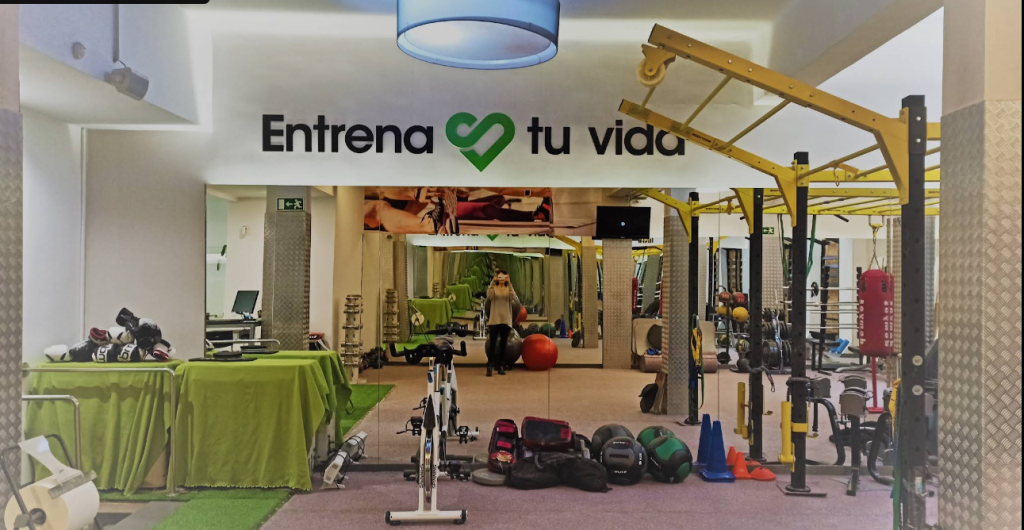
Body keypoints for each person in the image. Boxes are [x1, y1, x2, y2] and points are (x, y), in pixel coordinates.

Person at [484, 269, 520, 377]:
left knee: (504, 344)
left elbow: (513, 297)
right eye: (499, 277)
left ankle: (501, 366)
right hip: (495, 319)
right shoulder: (493, 288)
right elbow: (489, 296)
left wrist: (510, 283)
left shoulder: (508, 289)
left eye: (503, 277)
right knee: (493, 344)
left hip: (506, 319)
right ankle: (490, 366)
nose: (501, 279)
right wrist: (492, 282)